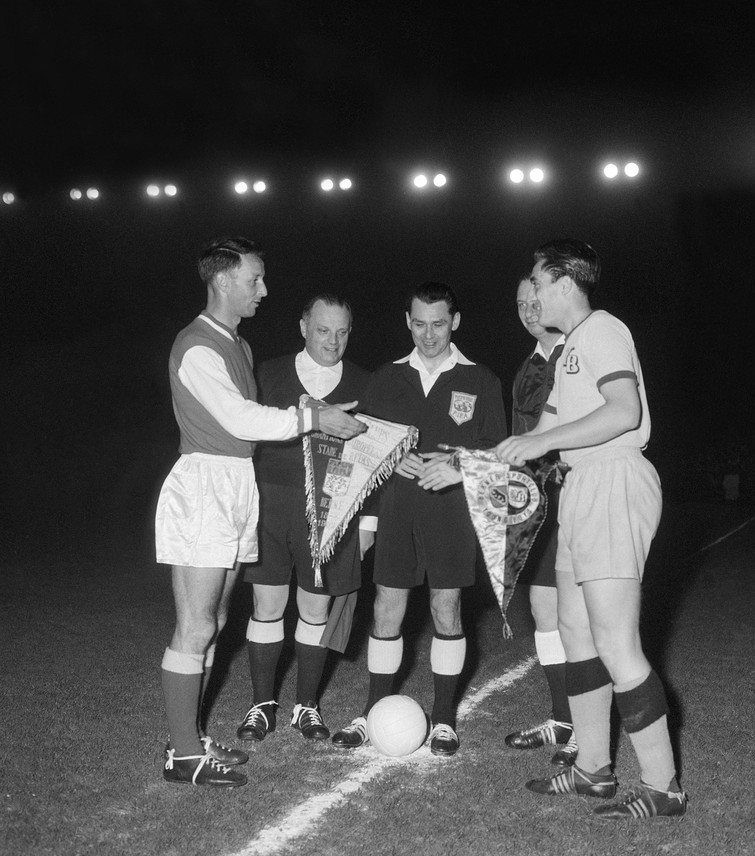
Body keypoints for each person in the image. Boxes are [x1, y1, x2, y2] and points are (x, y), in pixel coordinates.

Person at [155, 238, 367, 788]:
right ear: (223, 281)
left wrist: (310, 416)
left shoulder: (239, 347)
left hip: (235, 484)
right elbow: (239, 418)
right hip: (205, 484)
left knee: (218, 620)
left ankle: (190, 739)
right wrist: (312, 417)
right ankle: (183, 755)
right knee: (196, 624)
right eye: (255, 280)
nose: (263, 290)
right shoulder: (197, 345)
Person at [495, 239, 687, 819]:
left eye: (536, 279)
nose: (530, 291)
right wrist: (464, 463)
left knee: (615, 642)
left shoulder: (603, 329)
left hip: (612, 478)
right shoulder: (571, 348)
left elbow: (624, 411)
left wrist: (542, 441)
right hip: (579, 486)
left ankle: (663, 786)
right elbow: (545, 426)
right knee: (576, 632)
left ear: (561, 279)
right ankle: (593, 771)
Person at [331, 282, 506, 756]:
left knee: (445, 609)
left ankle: (445, 718)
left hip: (453, 514)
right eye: (420, 324)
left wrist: (456, 467)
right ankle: (372, 712)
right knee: (387, 607)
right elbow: (363, 447)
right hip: (397, 511)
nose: (430, 335)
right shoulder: (386, 377)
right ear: (407, 322)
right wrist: (391, 459)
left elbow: (498, 453)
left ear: (456, 322)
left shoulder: (481, 379)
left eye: (440, 323)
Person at [236, 295, 374, 744]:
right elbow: (244, 435)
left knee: (315, 608)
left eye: (342, 331)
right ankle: (262, 705)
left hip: (331, 509)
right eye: (322, 330)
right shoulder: (268, 373)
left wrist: (367, 523)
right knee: (267, 606)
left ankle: (305, 706)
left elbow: (372, 460)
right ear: (302, 327)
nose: (333, 341)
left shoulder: (364, 382)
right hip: (270, 503)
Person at [502, 277, 577, 769]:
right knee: (543, 605)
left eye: (537, 301)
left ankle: (587, 731)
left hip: (577, 494)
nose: (530, 311)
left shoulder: (579, 352)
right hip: (535, 500)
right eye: (521, 304)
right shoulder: (528, 365)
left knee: (582, 617)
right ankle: (564, 719)